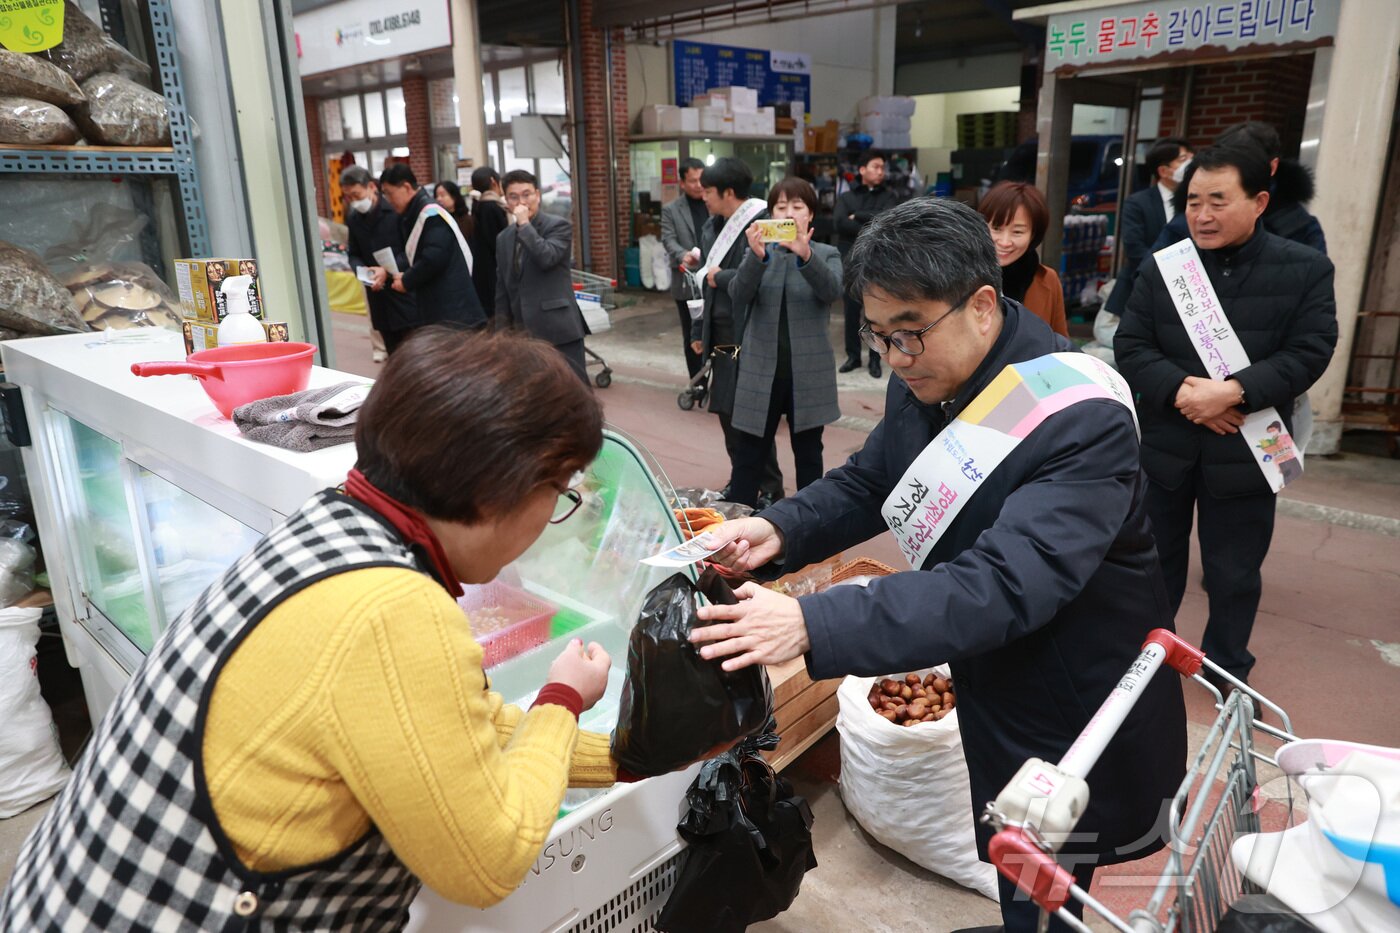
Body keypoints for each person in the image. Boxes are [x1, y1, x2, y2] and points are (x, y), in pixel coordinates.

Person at [0, 330, 651, 929]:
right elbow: (489, 859)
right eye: (559, 491)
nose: (556, 512)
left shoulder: (335, 525)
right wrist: (562, 699)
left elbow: (450, 724)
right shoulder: (392, 609)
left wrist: (629, 755)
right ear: (495, 490)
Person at [687, 197, 1187, 933]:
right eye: (878, 334)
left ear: (982, 306)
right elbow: (873, 480)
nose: (894, 357)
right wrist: (777, 528)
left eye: (909, 332)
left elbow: (1002, 583)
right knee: (1017, 846)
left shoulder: (1081, 418)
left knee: (1056, 857)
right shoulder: (929, 370)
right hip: (992, 667)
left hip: (1070, 689)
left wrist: (811, 620)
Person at [1115, 145, 1338, 688]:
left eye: (1219, 201)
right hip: (1166, 446)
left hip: (1248, 448)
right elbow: (1132, 344)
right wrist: (1187, 395)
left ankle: (1228, 671)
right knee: (1152, 567)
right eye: (1193, 201)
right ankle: (1148, 666)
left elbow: (1310, 350)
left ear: (1259, 202)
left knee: (1234, 574)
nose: (1203, 215)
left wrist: (1234, 393)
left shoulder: (1305, 268)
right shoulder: (1165, 267)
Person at [724, 177, 842, 508]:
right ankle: (739, 521)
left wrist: (806, 255)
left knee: (809, 455)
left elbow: (833, 291)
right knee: (749, 454)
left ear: (810, 214)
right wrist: (755, 257)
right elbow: (738, 294)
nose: (788, 213)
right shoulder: (759, 254)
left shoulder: (826, 253)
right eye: (780, 206)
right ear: (770, 215)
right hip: (761, 372)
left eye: (797, 206)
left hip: (808, 373)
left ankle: (809, 523)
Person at [689, 156, 785, 505]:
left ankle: (770, 487)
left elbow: (766, 275)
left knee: (752, 416)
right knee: (726, 410)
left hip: (750, 333)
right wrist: (698, 329)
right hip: (721, 333)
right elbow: (704, 279)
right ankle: (742, 478)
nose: (703, 197)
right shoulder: (711, 226)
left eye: (708, 191)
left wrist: (722, 277)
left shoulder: (762, 223)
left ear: (729, 192)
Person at [495, 169, 590, 383]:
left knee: (573, 388)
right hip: (523, 332)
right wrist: (500, 333)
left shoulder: (557, 226)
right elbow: (503, 288)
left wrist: (524, 225)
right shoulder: (503, 238)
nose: (521, 202)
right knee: (535, 392)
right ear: (506, 201)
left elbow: (547, 257)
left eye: (526, 194)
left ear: (537, 195)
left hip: (558, 327)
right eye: (513, 197)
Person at [379, 164, 485, 349]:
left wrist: (407, 280)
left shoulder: (431, 215)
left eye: (389, 193)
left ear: (406, 187)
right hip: (440, 307)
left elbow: (434, 257)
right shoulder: (413, 213)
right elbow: (414, 254)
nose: (388, 200)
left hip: (453, 311)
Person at [1103, 137, 1193, 320]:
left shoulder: (1195, 201)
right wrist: (1168, 272)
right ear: (1163, 171)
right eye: (1183, 159)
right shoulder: (1138, 202)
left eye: (1192, 158)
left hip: (1188, 289)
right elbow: (1134, 248)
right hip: (1143, 286)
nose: (1191, 164)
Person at [341, 164, 418, 362]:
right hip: (377, 295)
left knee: (414, 354)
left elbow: (410, 251)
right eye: (348, 197)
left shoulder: (395, 211)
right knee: (393, 356)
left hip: (404, 293)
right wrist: (363, 272)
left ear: (371, 187)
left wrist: (386, 271)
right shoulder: (353, 218)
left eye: (356, 195)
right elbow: (354, 253)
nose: (353, 201)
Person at [834, 150, 899, 377]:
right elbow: (840, 223)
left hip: (877, 261)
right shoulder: (846, 197)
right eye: (876, 167)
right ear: (862, 170)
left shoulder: (888, 196)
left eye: (882, 168)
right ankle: (853, 356)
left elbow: (888, 221)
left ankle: (875, 358)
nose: (881, 172)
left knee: (876, 312)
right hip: (851, 259)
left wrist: (858, 215)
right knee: (851, 311)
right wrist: (871, 221)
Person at [977, 182, 1069, 337]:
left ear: (1033, 235)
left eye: (1017, 232)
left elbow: (1060, 343)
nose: (1005, 242)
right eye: (996, 229)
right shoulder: (958, 276)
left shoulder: (1048, 280)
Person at [661, 157, 710, 378]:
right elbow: (668, 239)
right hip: (686, 280)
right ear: (682, 183)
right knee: (692, 334)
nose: (699, 185)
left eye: (702, 179)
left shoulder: (715, 203)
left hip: (713, 277)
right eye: (692, 180)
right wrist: (684, 255)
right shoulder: (671, 210)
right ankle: (697, 382)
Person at [468, 166, 509, 319]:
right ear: (493, 181)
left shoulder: (480, 204)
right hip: (492, 272)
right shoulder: (491, 207)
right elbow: (498, 243)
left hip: (483, 270)